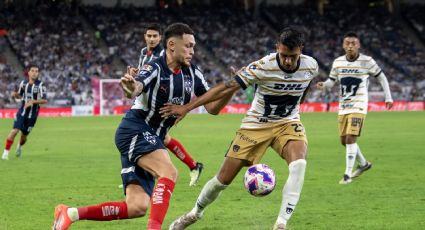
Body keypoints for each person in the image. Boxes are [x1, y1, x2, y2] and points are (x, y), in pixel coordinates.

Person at [51, 22, 232, 230]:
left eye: (193, 46)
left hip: (151, 139)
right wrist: (130, 87)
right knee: (169, 172)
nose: (192, 51)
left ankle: (70, 214)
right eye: (188, 46)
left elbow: (213, 108)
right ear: (172, 45)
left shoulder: (193, 73)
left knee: (136, 207)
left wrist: (232, 88)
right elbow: (136, 86)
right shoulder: (155, 66)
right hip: (135, 130)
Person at [161, 27, 319, 230]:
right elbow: (227, 86)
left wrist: (297, 108)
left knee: (299, 165)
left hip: (287, 123)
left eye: (293, 56)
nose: (288, 61)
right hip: (255, 126)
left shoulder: (310, 66)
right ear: (277, 48)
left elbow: (305, 85)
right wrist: (188, 107)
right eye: (284, 55)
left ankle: (281, 224)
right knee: (222, 180)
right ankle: (194, 213)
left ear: (301, 50)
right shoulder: (262, 66)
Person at [317, 31, 393, 184]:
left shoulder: (367, 61)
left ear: (358, 45)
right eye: (347, 43)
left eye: (353, 43)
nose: (350, 46)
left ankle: (347, 175)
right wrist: (324, 85)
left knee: (351, 138)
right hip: (343, 106)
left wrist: (388, 96)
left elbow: (382, 77)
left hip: (359, 105)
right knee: (344, 141)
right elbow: (331, 82)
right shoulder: (338, 62)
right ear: (343, 46)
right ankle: (364, 164)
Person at [135, 23, 204, 187]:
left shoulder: (164, 55)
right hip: (145, 99)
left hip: (161, 103)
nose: (152, 39)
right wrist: (135, 77)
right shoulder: (144, 53)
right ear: (145, 37)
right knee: (161, 138)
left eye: (155, 36)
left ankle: (146, 176)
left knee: (156, 138)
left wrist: (185, 107)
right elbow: (144, 75)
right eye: (149, 36)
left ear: (161, 39)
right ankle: (193, 166)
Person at [2, 64, 47, 160]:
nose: (35, 73)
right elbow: (20, 96)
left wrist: (33, 101)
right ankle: (5, 153)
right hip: (22, 112)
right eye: (33, 71)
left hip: (33, 115)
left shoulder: (40, 85)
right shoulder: (23, 83)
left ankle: (19, 146)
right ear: (29, 73)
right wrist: (15, 95)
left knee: (23, 137)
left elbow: (44, 100)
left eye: (36, 71)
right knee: (14, 130)